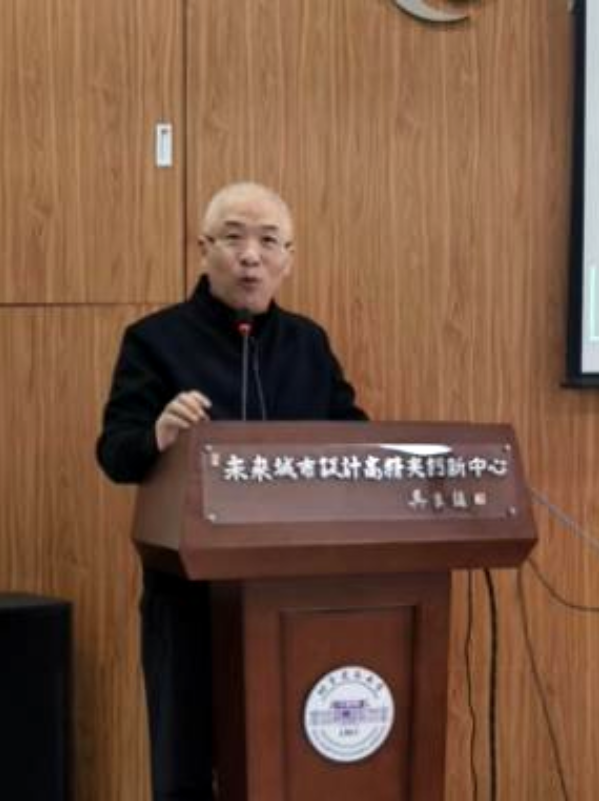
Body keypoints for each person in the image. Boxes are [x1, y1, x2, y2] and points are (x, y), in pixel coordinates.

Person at [96, 182, 367, 800]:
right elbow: (113, 452)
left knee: (291, 764)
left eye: (269, 241)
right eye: (234, 238)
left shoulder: (308, 343)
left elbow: (352, 437)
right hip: (189, 600)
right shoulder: (154, 340)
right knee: (187, 770)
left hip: (297, 596)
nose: (251, 255)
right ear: (203, 249)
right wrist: (159, 433)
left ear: (288, 259)